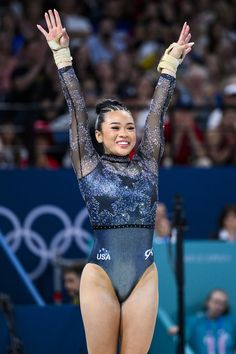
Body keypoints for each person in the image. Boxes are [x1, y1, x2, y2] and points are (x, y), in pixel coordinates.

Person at [37, 9, 193, 354]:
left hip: (145, 273)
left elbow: (156, 113)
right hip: (100, 275)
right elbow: (76, 108)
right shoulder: (88, 165)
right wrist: (61, 55)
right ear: (98, 135)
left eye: (128, 127)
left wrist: (171, 64)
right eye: (115, 128)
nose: (125, 134)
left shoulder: (148, 162)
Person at [168, 289, 236, 354]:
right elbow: (178, 331)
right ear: (207, 302)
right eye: (216, 302)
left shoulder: (231, 322)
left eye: (223, 304)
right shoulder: (194, 321)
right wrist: (177, 330)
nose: (219, 306)